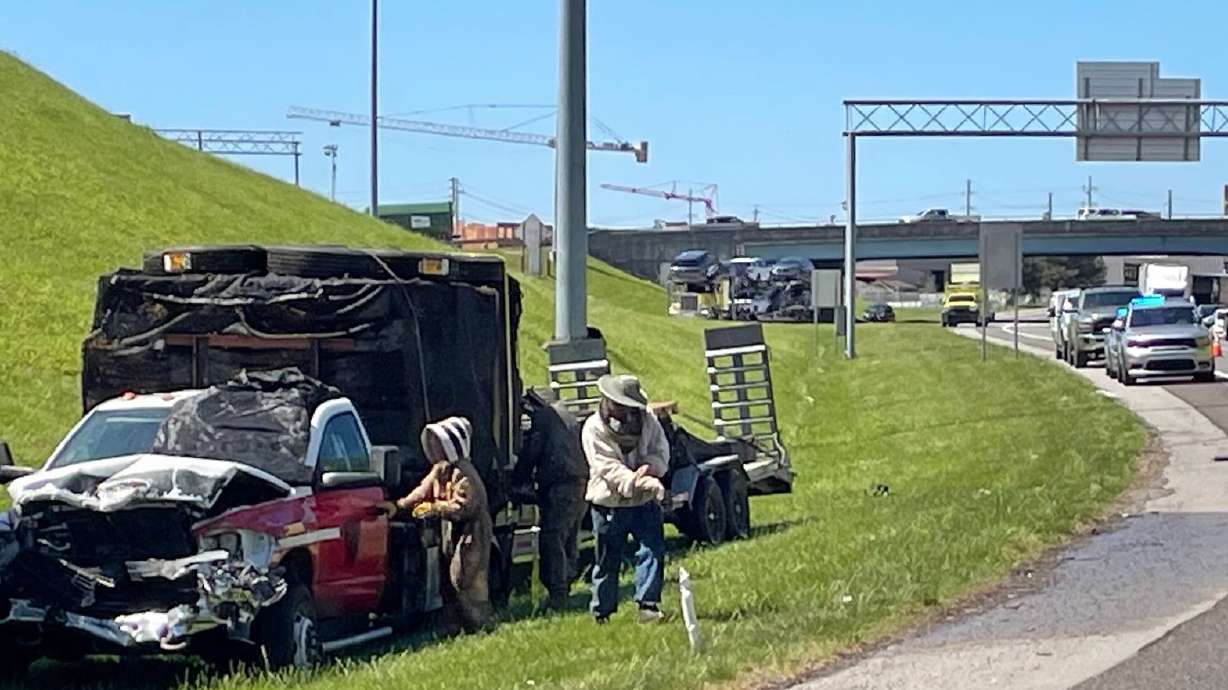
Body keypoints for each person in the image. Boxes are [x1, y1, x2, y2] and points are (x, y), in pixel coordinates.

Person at [581, 374, 670, 624]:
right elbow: (606, 467)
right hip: (609, 503)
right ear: (610, 402)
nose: (626, 411)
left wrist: (651, 467)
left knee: (653, 550)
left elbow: (661, 450)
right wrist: (637, 481)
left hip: (644, 502)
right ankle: (602, 613)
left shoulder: (648, 420)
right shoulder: (593, 428)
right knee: (608, 560)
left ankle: (648, 606)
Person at [396, 416, 494, 633]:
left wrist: (434, 508)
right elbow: (423, 490)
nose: (434, 448)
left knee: (468, 580)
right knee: (449, 580)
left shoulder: (464, 473)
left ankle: (481, 626)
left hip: (473, 534)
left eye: (438, 443)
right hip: (452, 533)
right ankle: (454, 627)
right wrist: (399, 505)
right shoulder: (441, 470)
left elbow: (464, 508)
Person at [513, 388, 589, 612]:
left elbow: (532, 451)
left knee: (552, 539)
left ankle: (558, 596)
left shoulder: (545, 417)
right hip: (580, 483)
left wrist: (518, 477)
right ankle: (566, 586)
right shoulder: (569, 415)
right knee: (569, 537)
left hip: (560, 485)